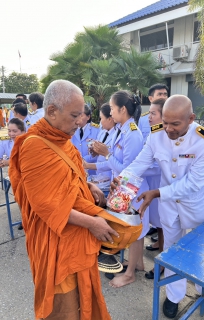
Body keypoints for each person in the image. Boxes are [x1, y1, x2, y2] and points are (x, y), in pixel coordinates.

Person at [9, 79, 117, 320]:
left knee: (84, 298)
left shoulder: (63, 139)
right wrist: (92, 223)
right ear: (51, 112)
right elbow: (46, 205)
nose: (80, 121)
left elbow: (70, 174)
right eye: (75, 115)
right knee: (65, 307)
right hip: (55, 241)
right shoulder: (34, 146)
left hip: (76, 236)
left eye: (81, 115)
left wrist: (87, 184)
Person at [111, 95, 204, 318]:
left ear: (190, 118)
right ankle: (174, 296)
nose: (168, 129)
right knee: (172, 250)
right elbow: (140, 163)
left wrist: (157, 193)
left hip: (198, 206)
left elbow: (193, 183)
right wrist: (122, 180)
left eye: (175, 124)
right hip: (170, 207)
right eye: (166, 122)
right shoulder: (156, 136)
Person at [91, 90, 149, 288]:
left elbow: (129, 170)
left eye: (113, 108)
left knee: (133, 230)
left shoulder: (132, 133)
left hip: (131, 190)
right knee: (133, 230)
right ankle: (138, 263)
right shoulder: (122, 129)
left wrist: (107, 154)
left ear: (122, 109)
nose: (111, 113)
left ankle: (130, 273)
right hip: (124, 189)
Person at [138, 84, 169, 255]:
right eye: (160, 94)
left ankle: (164, 255)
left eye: (166, 94)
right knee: (158, 218)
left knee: (165, 221)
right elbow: (143, 156)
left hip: (164, 183)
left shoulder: (176, 132)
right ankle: (161, 247)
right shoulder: (151, 128)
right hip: (151, 180)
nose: (164, 96)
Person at [143, 99, 165, 280]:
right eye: (149, 113)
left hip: (161, 186)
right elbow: (142, 161)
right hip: (153, 185)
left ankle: (164, 263)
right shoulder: (154, 134)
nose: (149, 117)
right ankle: (161, 249)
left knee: (164, 224)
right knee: (158, 222)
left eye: (153, 114)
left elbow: (159, 167)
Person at [83, 103, 116, 180]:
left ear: (109, 119)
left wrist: (88, 165)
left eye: (101, 118)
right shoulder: (102, 132)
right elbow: (99, 155)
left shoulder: (116, 135)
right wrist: (94, 152)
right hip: (100, 177)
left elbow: (112, 162)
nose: (100, 122)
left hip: (110, 177)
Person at [71, 104, 100, 174]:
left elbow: (99, 152)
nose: (78, 118)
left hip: (92, 171)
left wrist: (83, 160)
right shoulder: (71, 129)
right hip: (76, 169)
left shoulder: (97, 130)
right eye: (77, 115)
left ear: (88, 117)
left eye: (81, 115)